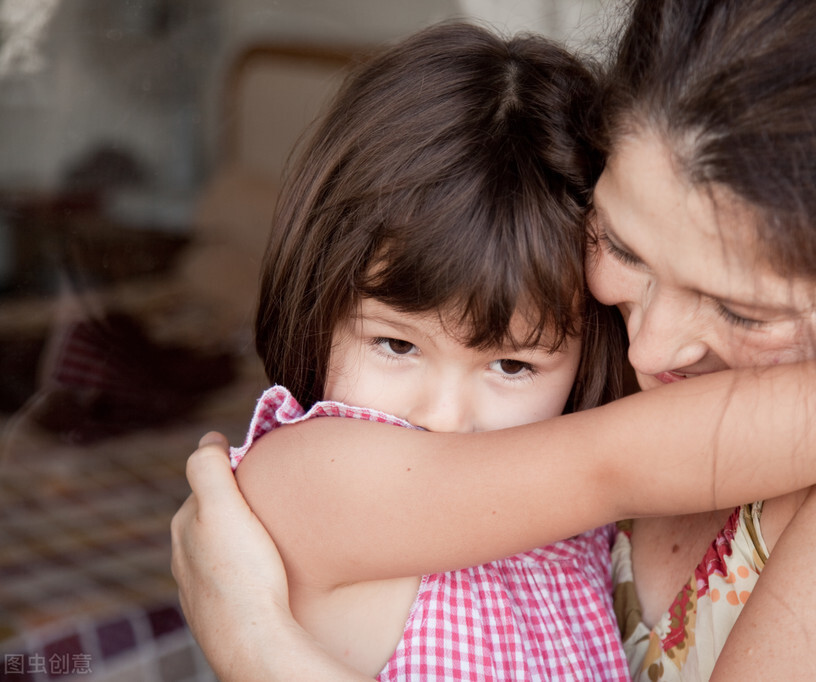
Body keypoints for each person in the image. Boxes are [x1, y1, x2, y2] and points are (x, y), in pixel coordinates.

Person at [172, 1, 816, 680]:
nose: (648, 348)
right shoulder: (318, 471)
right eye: (620, 247)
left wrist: (265, 657)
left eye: (744, 312)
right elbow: (622, 461)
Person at [221, 22, 633, 679]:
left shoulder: (580, 528)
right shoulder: (309, 475)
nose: (443, 418)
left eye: (511, 365)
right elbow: (655, 455)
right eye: (395, 344)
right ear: (318, 307)